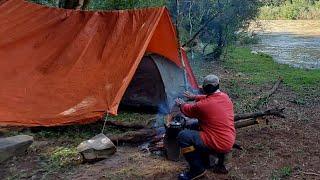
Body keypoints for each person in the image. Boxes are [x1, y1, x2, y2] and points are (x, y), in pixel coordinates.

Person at [175, 74, 235, 180]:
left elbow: (187, 110)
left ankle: (197, 169)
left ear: (205, 88)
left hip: (218, 142)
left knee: (183, 136)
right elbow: (209, 97)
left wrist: (181, 104)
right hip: (228, 138)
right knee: (194, 125)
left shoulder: (203, 106)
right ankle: (205, 159)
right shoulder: (224, 96)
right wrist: (194, 97)